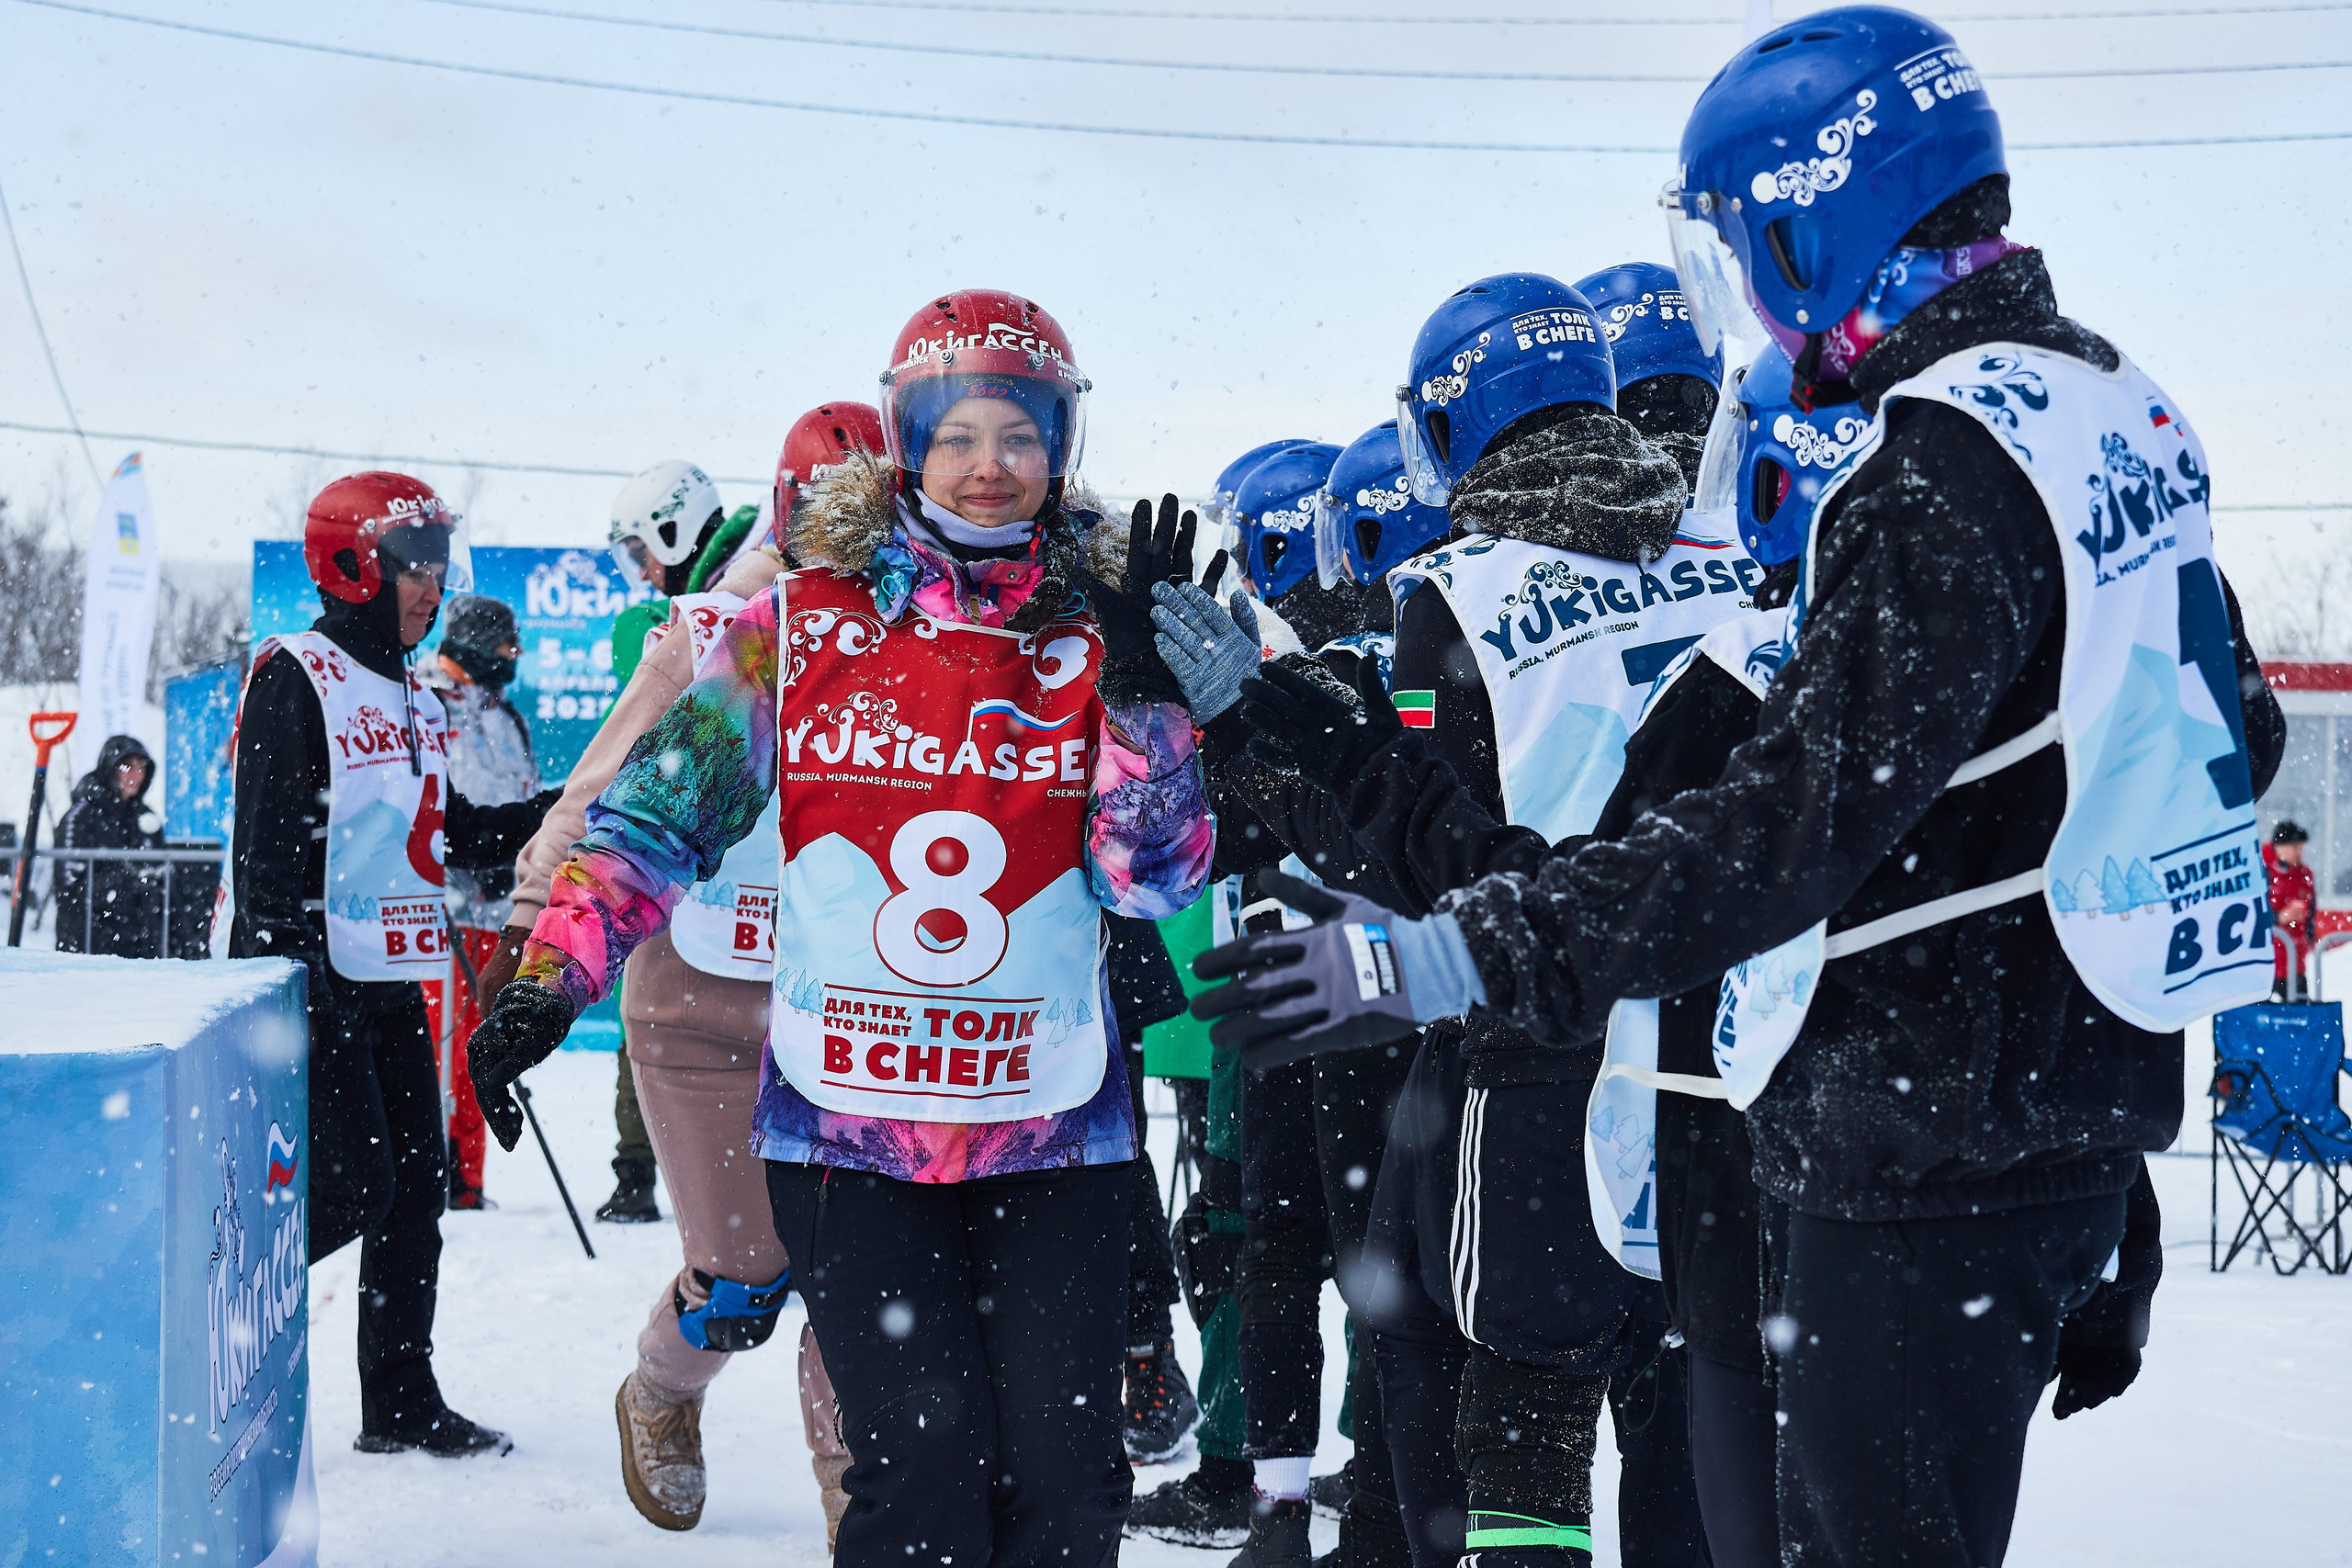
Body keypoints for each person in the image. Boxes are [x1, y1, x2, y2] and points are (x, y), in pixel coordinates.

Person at [1193, 13, 2289, 1562]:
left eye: (1743, 249)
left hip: (1909, 1125)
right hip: (2053, 1103)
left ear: (1808, 225)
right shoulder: (2109, 400)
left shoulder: (1943, 454)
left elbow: (1785, 824)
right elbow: (2208, 737)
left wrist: (1453, 950)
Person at [464, 288, 1216, 1566]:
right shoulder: (797, 625)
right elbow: (655, 823)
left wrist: (1145, 704)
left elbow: (1152, 883)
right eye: (957, 435)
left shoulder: (1104, 632)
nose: (988, 466)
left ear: (1061, 447)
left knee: (1067, 1492)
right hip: (854, 1134)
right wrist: (547, 981)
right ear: (906, 443)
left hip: (1050, 1132)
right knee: (919, 1483)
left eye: (1020, 435)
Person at [473, 409, 881, 1539]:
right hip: (704, 998)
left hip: (860, 1010)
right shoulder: (709, 633)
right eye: (837, 526)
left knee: (861, 1286)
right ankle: (662, 1385)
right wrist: (527, 952)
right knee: (743, 1278)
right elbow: (598, 799)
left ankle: (861, 1507)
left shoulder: (928, 642)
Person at [216, 471, 554, 1457]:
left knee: (416, 1188)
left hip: (386, 975)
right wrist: (306, 991)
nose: (432, 590)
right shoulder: (299, 673)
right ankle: (206, 1310)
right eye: (415, 568)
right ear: (354, 566)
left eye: (440, 569)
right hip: (305, 978)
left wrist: (562, 808)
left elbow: (451, 834)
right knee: (354, 1183)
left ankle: (401, 1398)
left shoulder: (415, 697)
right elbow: (267, 858)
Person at [594, 458, 742, 1223]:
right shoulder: (755, 583)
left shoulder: (709, 612)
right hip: (741, 865)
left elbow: (642, 747)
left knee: (656, 1011)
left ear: (675, 529)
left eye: (641, 551)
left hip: (703, 863)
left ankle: (664, 1182)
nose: (645, 571)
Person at [419, 593, 538, 1211]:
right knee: (437, 1045)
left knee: (484, 1046)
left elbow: (516, 801)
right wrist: (471, 865)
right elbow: (437, 813)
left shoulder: (506, 715)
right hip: (444, 913)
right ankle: (431, 1167)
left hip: (498, 914)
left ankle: (467, 1178)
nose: (511, 657)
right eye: (503, 646)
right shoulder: (428, 703)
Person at [53, 733, 164, 955]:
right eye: (127, 767)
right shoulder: (80, 817)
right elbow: (69, 890)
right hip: (89, 948)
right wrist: (126, 880)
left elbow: (161, 874)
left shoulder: (146, 817)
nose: (136, 775)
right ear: (109, 768)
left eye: (141, 767)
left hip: (141, 949)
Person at [2266, 821, 2314, 998]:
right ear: (2280, 847)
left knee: (2300, 1011)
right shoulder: (2264, 874)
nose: (2299, 853)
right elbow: (2252, 916)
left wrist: (2308, 937)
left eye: (2301, 848)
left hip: (2296, 963)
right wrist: (2278, 917)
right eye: (2295, 847)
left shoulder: (2306, 874)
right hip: (2268, 963)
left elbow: (2311, 913)